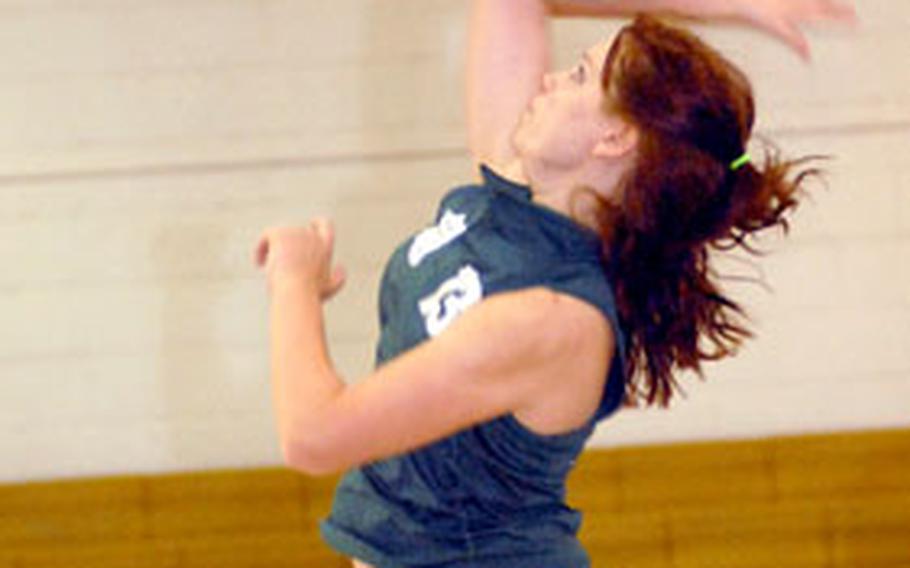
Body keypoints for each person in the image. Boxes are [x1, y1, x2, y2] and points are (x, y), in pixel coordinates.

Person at [254, 1, 856, 566]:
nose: (549, 81)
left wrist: (293, 281)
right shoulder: (513, 191)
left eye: (577, 76)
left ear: (615, 137)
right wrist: (727, 6)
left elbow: (314, 437)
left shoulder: (554, 318)